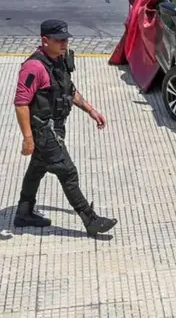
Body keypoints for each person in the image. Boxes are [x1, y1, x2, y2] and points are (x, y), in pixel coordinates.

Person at [13, 20, 118, 236]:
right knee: (67, 172)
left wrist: (91, 110)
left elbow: (69, 90)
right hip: (43, 131)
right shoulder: (33, 68)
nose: (64, 44)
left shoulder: (59, 61)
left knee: (37, 169)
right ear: (45, 41)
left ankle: (23, 213)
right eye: (59, 40)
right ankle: (90, 220)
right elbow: (21, 104)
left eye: (66, 39)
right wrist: (28, 138)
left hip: (56, 128)